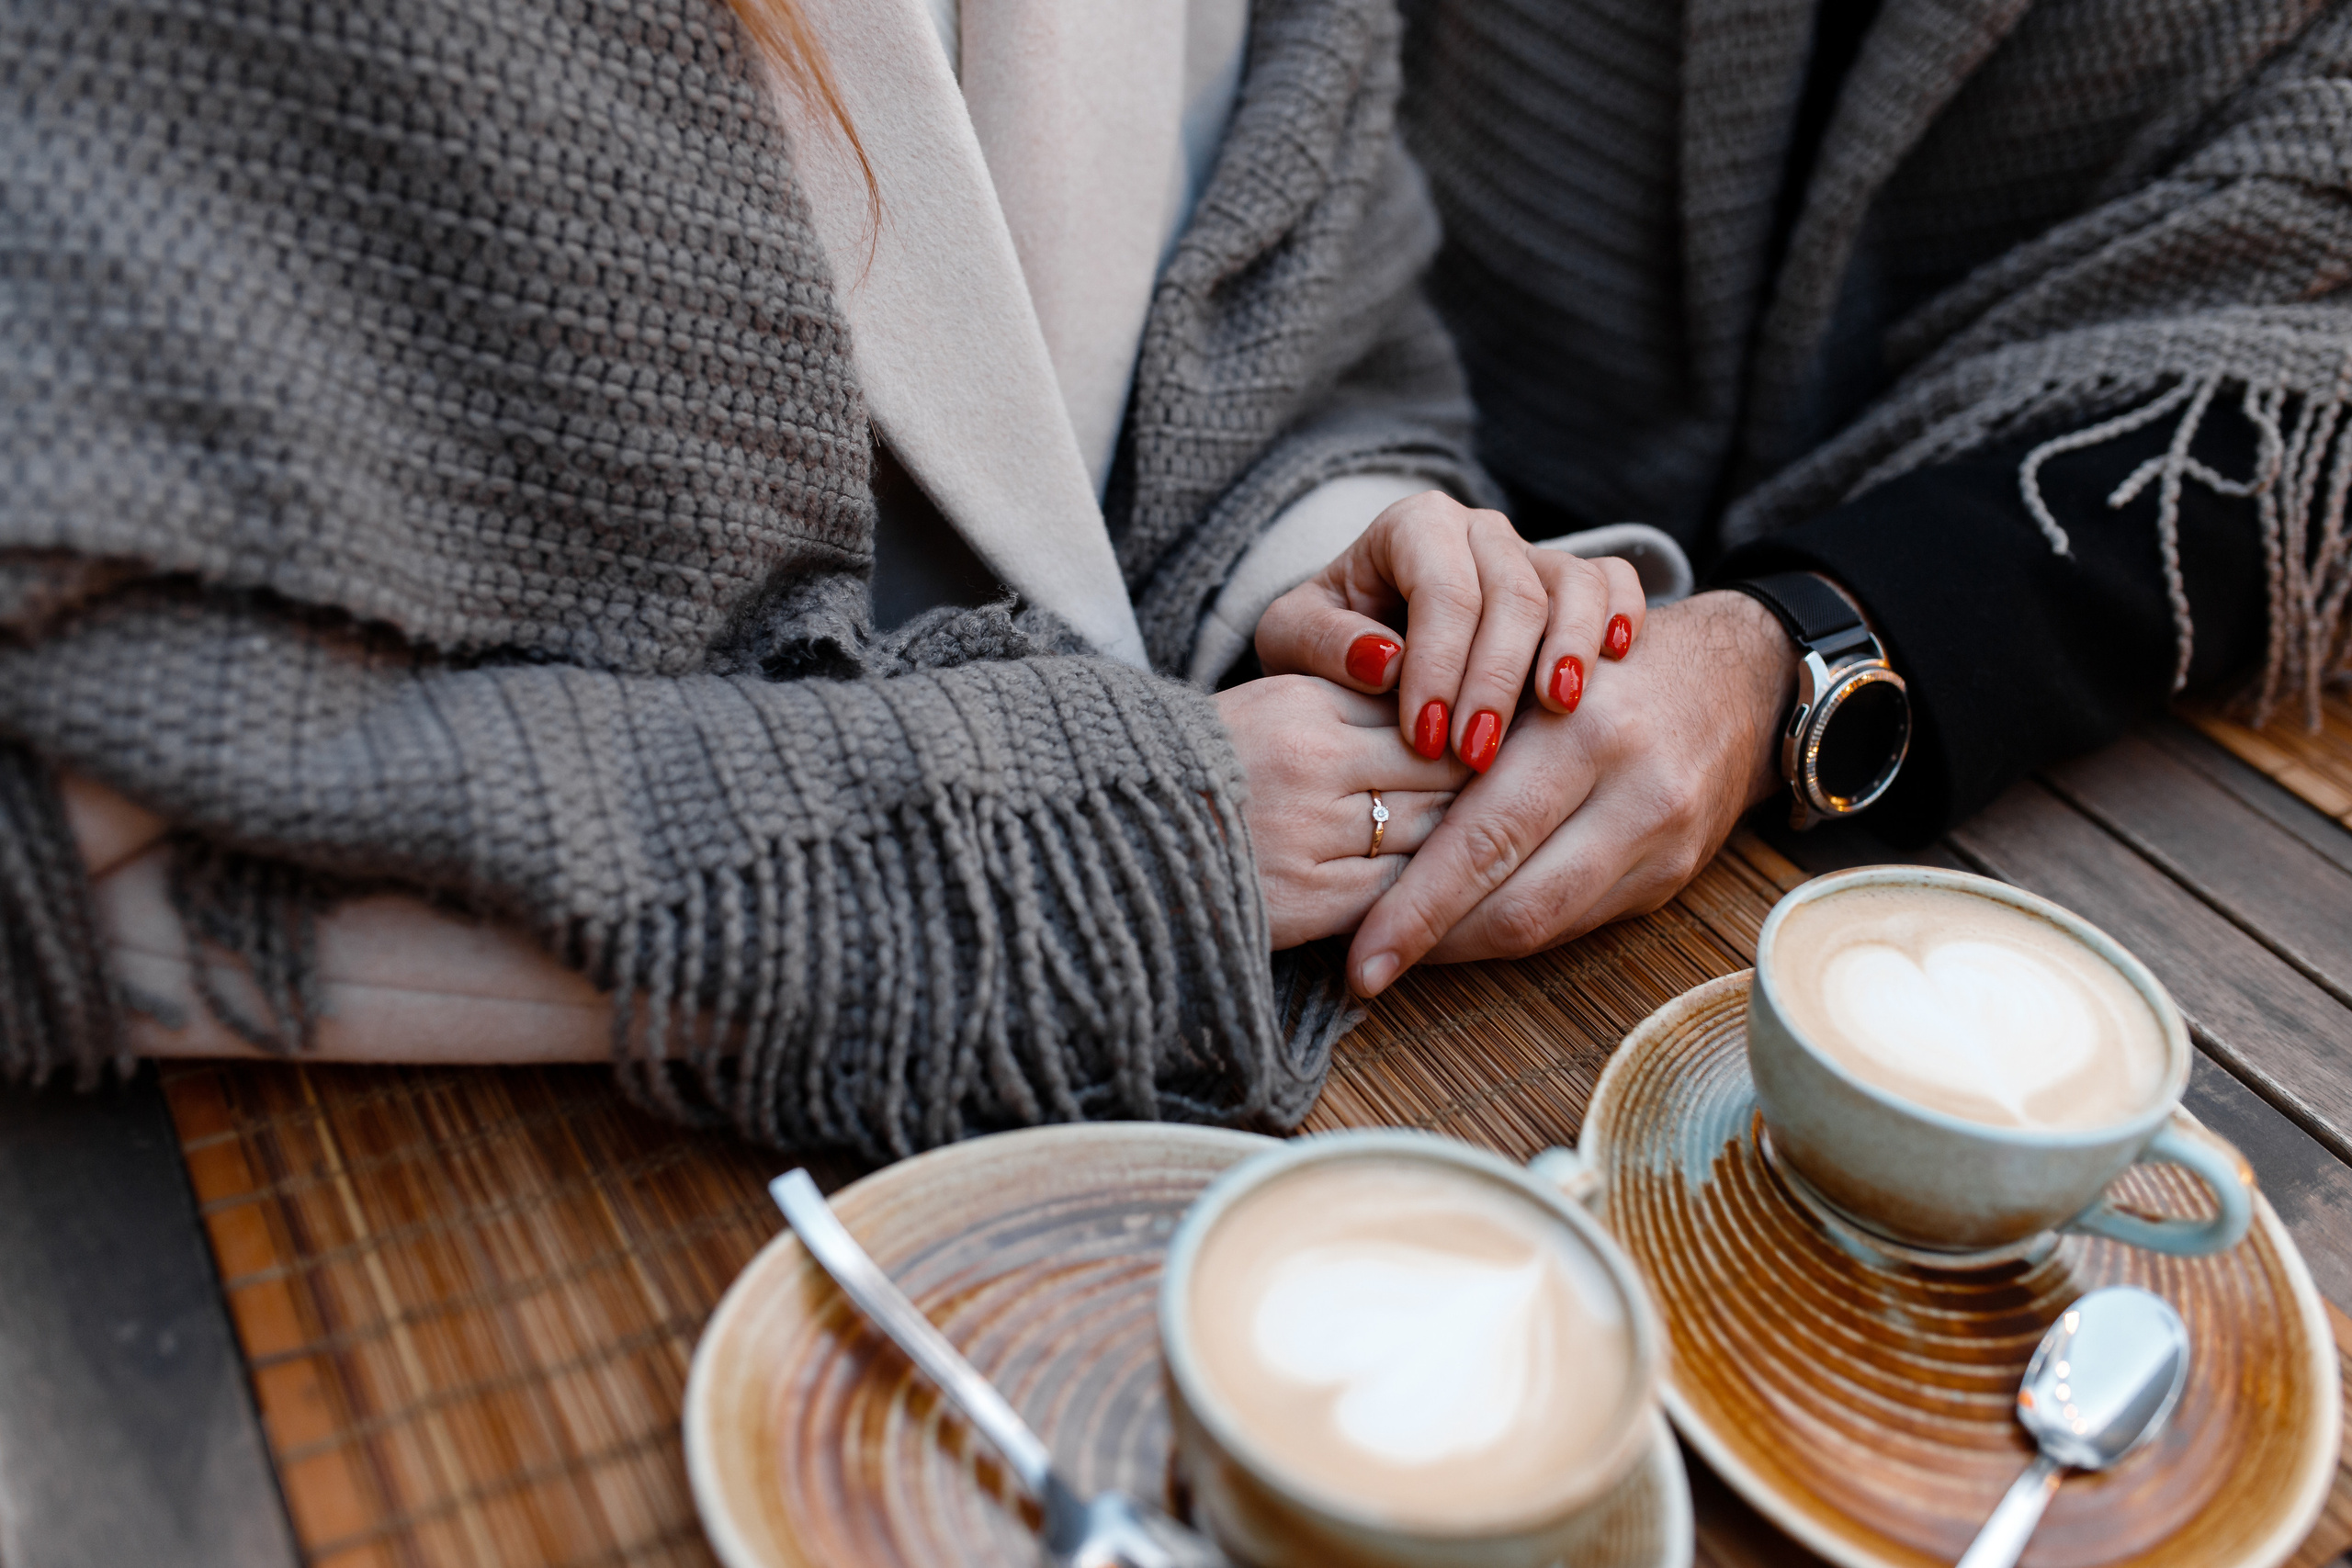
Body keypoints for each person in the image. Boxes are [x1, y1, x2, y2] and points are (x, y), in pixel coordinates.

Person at [0, 0, 1666, 1157]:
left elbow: (1269, 315)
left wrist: (1344, 570)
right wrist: (1091, 841)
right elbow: (90, 760)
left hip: (1237, 1094)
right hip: (517, 1160)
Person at [1326, 0, 2352, 1001]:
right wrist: (1343, 522)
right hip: (1419, 487)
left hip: (1966, 732)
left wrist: (1781, 657)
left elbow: (2300, 386)